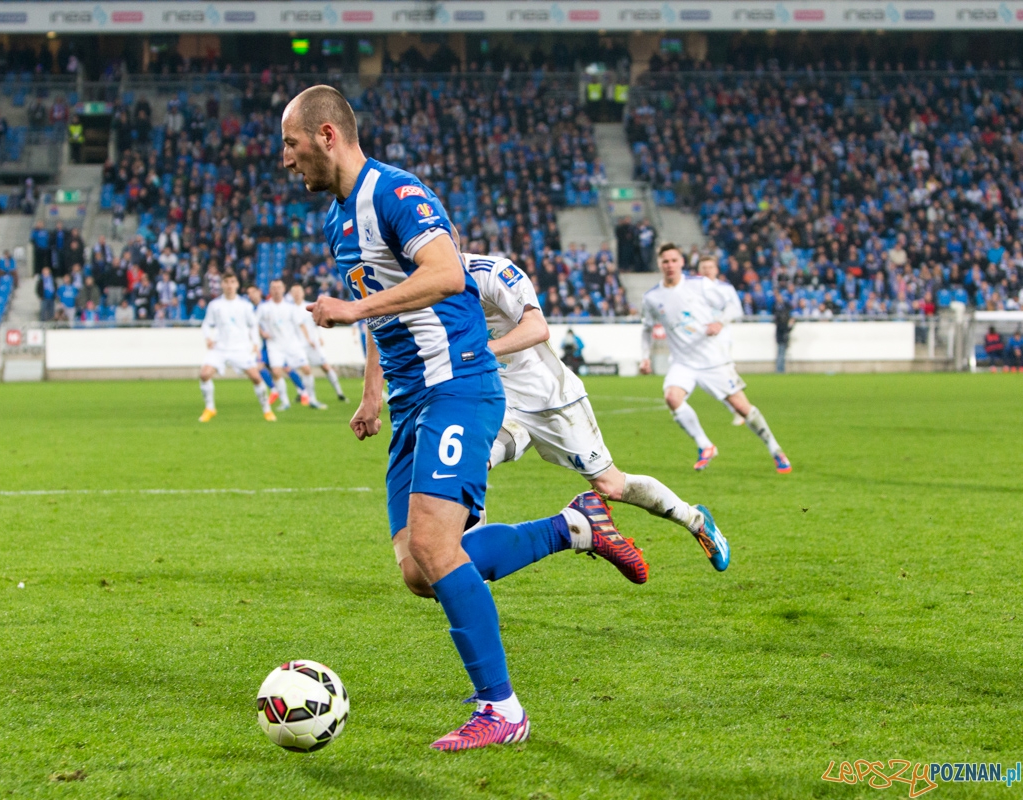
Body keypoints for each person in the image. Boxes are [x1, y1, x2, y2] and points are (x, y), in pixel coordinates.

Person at [284, 85, 642, 751]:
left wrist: (352, 310)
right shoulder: (336, 218)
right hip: (411, 399)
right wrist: (371, 390)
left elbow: (446, 274)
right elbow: (382, 301)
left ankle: (501, 710)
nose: (286, 158)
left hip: (459, 386)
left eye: (292, 143)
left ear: (328, 135)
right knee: (420, 571)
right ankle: (574, 526)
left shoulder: (396, 193)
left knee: (434, 546)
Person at [463, 248, 728, 571]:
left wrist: (480, 352)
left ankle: (697, 521)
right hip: (502, 403)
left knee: (611, 485)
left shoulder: (492, 272)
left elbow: (537, 328)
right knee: (471, 462)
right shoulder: (428, 287)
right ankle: (468, 568)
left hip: (552, 400)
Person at [640, 243, 792, 474]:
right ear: (659, 264)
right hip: (683, 362)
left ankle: (775, 449)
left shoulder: (700, 285)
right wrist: (645, 357)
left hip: (713, 360)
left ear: (682, 262)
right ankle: (705, 445)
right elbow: (646, 328)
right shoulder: (652, 297)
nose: (670, 265)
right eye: (665, 261)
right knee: (672, 397)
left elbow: (734, 306)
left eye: (674, 260)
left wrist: (720, 321)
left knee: (742, 407)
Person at [199, 271, 275, 423]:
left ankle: (267, 410)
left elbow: (253, 325)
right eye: (226, 282)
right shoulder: (215, 305)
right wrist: (208, 338)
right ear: (222, 285)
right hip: (220, 347)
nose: (229, 285)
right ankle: (210, 408)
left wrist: (256, 344)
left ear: (237, 285)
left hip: (240, 348)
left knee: (256, 377)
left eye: (232, 282)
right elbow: (206, 324)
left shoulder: (245, 306)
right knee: (204, 374)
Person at [256, 279, 326, 411]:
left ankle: (312, 399)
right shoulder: (264, 307)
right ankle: (285, 402)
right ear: (270, 290)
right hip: (274, 345)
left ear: (283, 290)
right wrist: (262, 332)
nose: (276, 290)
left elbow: (301, 324)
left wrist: (309, 339)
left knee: (306, 369)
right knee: (276, 372)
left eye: (279, 287)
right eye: (274, 288)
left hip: (292, 344)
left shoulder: (290, 307)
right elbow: (254, 323)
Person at [697, 256, 748, 425]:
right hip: (700, 340)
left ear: (716, 269)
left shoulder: (725, 289)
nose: (707, 270)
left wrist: (720, 322)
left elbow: (737, 310)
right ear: (699, 270)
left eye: (710, 267)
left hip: (721, 338)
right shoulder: (692, 289)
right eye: (704, 267)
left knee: (726, 373)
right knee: (704, 379)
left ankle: (741, 408)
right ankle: (737, 408)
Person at [289, 283, 348, 403]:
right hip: (298, 345)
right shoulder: (289, 309)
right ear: (291, 294)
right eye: (294, 292)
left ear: (303, 293)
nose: (297, 294)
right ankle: (305, 394)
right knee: (301, 369)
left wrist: (319, 336)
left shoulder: (309, 307)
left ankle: (339, 392)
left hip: (312, 343)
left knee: (325, 366)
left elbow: (318, 322)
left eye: (298, 291)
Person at [773, 294, 794, 376]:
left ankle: (780, 369)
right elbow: (786, 329)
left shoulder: (780, 321)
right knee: (781, 354)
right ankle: (780, 370)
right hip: (782, 337)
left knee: (781, 354)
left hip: (782, 337)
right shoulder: (781, 323)